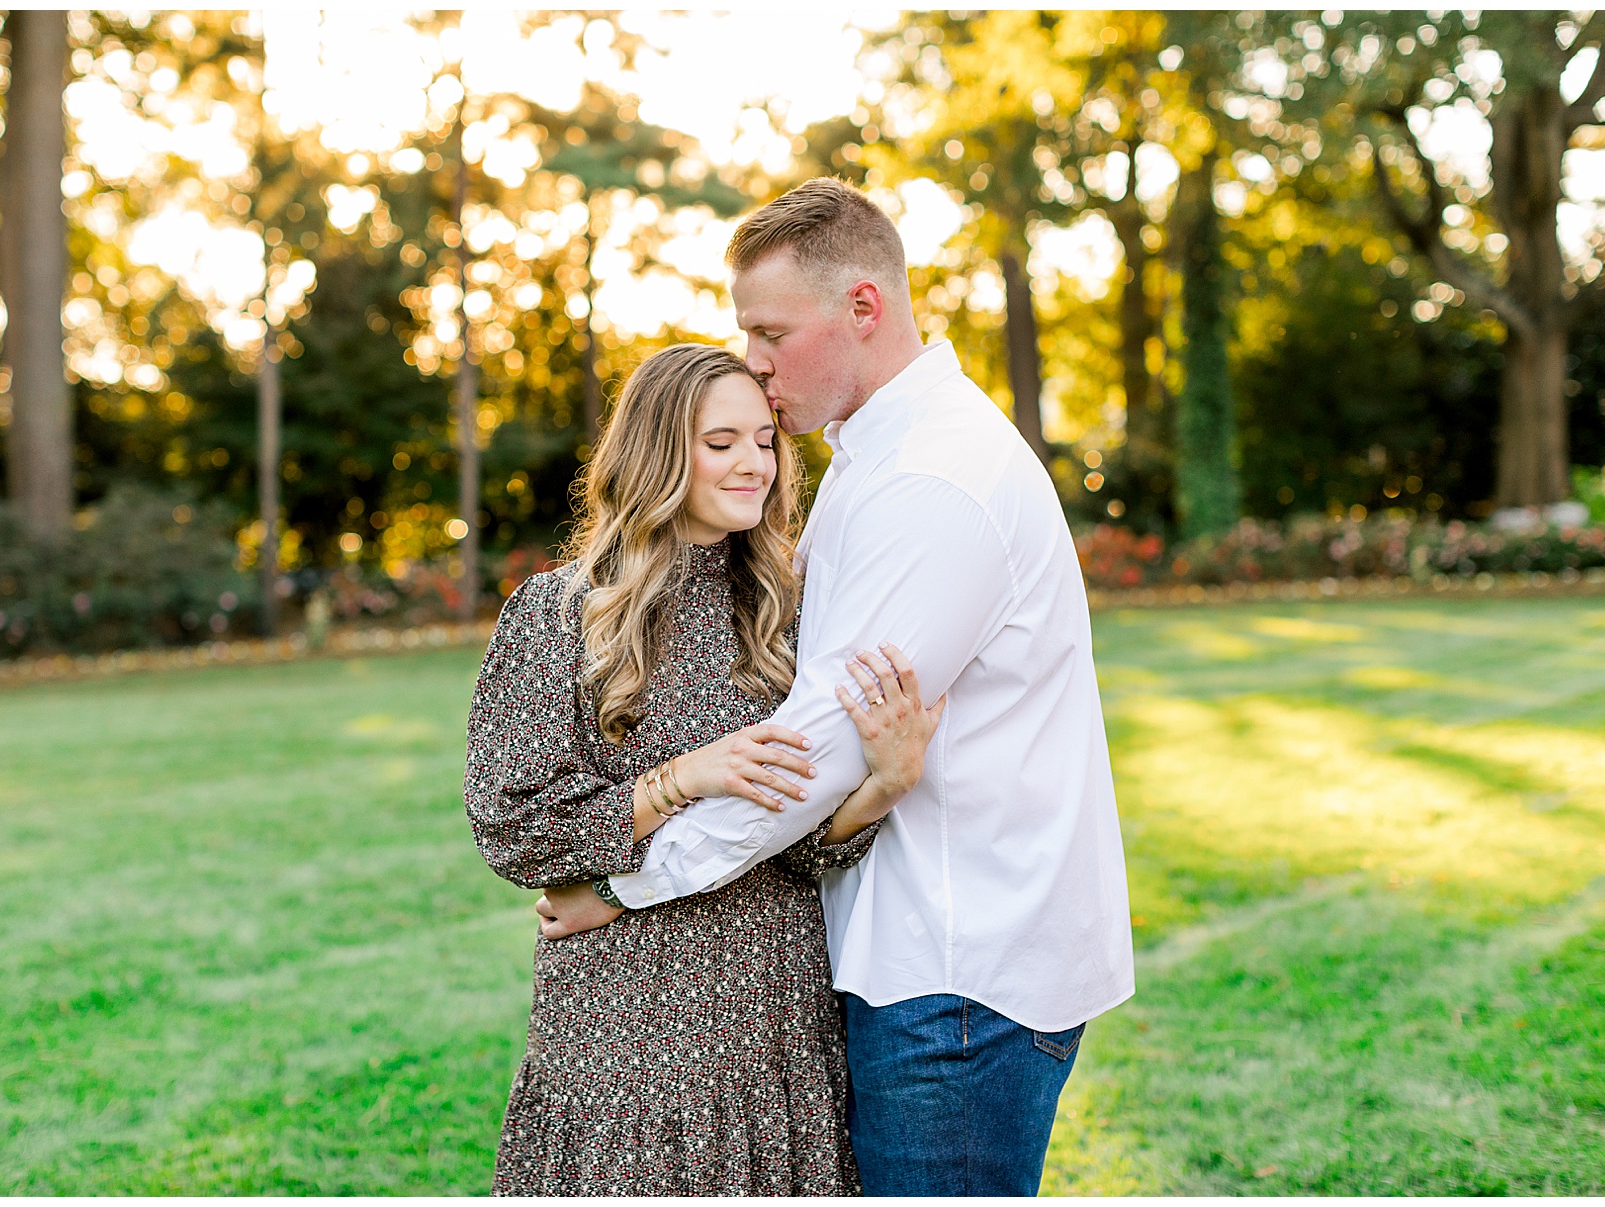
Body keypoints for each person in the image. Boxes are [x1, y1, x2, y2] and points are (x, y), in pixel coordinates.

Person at [537, 177, 1136, 1196]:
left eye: (770, 332)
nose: (752, 364)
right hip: (911, 958)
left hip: (954, 978)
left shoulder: (933, 480)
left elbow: (811, 750)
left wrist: (624, 883)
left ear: (864, 307)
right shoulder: (872, 458)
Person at [462, 342, 944, 1195]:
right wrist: (684, 777)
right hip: (626, 1033)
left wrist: (884, 784)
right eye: (721, 442)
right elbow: (516, 831)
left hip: (774, 1018)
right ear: (656, 450)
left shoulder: (791, 613)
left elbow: (800, 847)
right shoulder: (564, 611)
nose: (755, 462)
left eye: (764, 441)